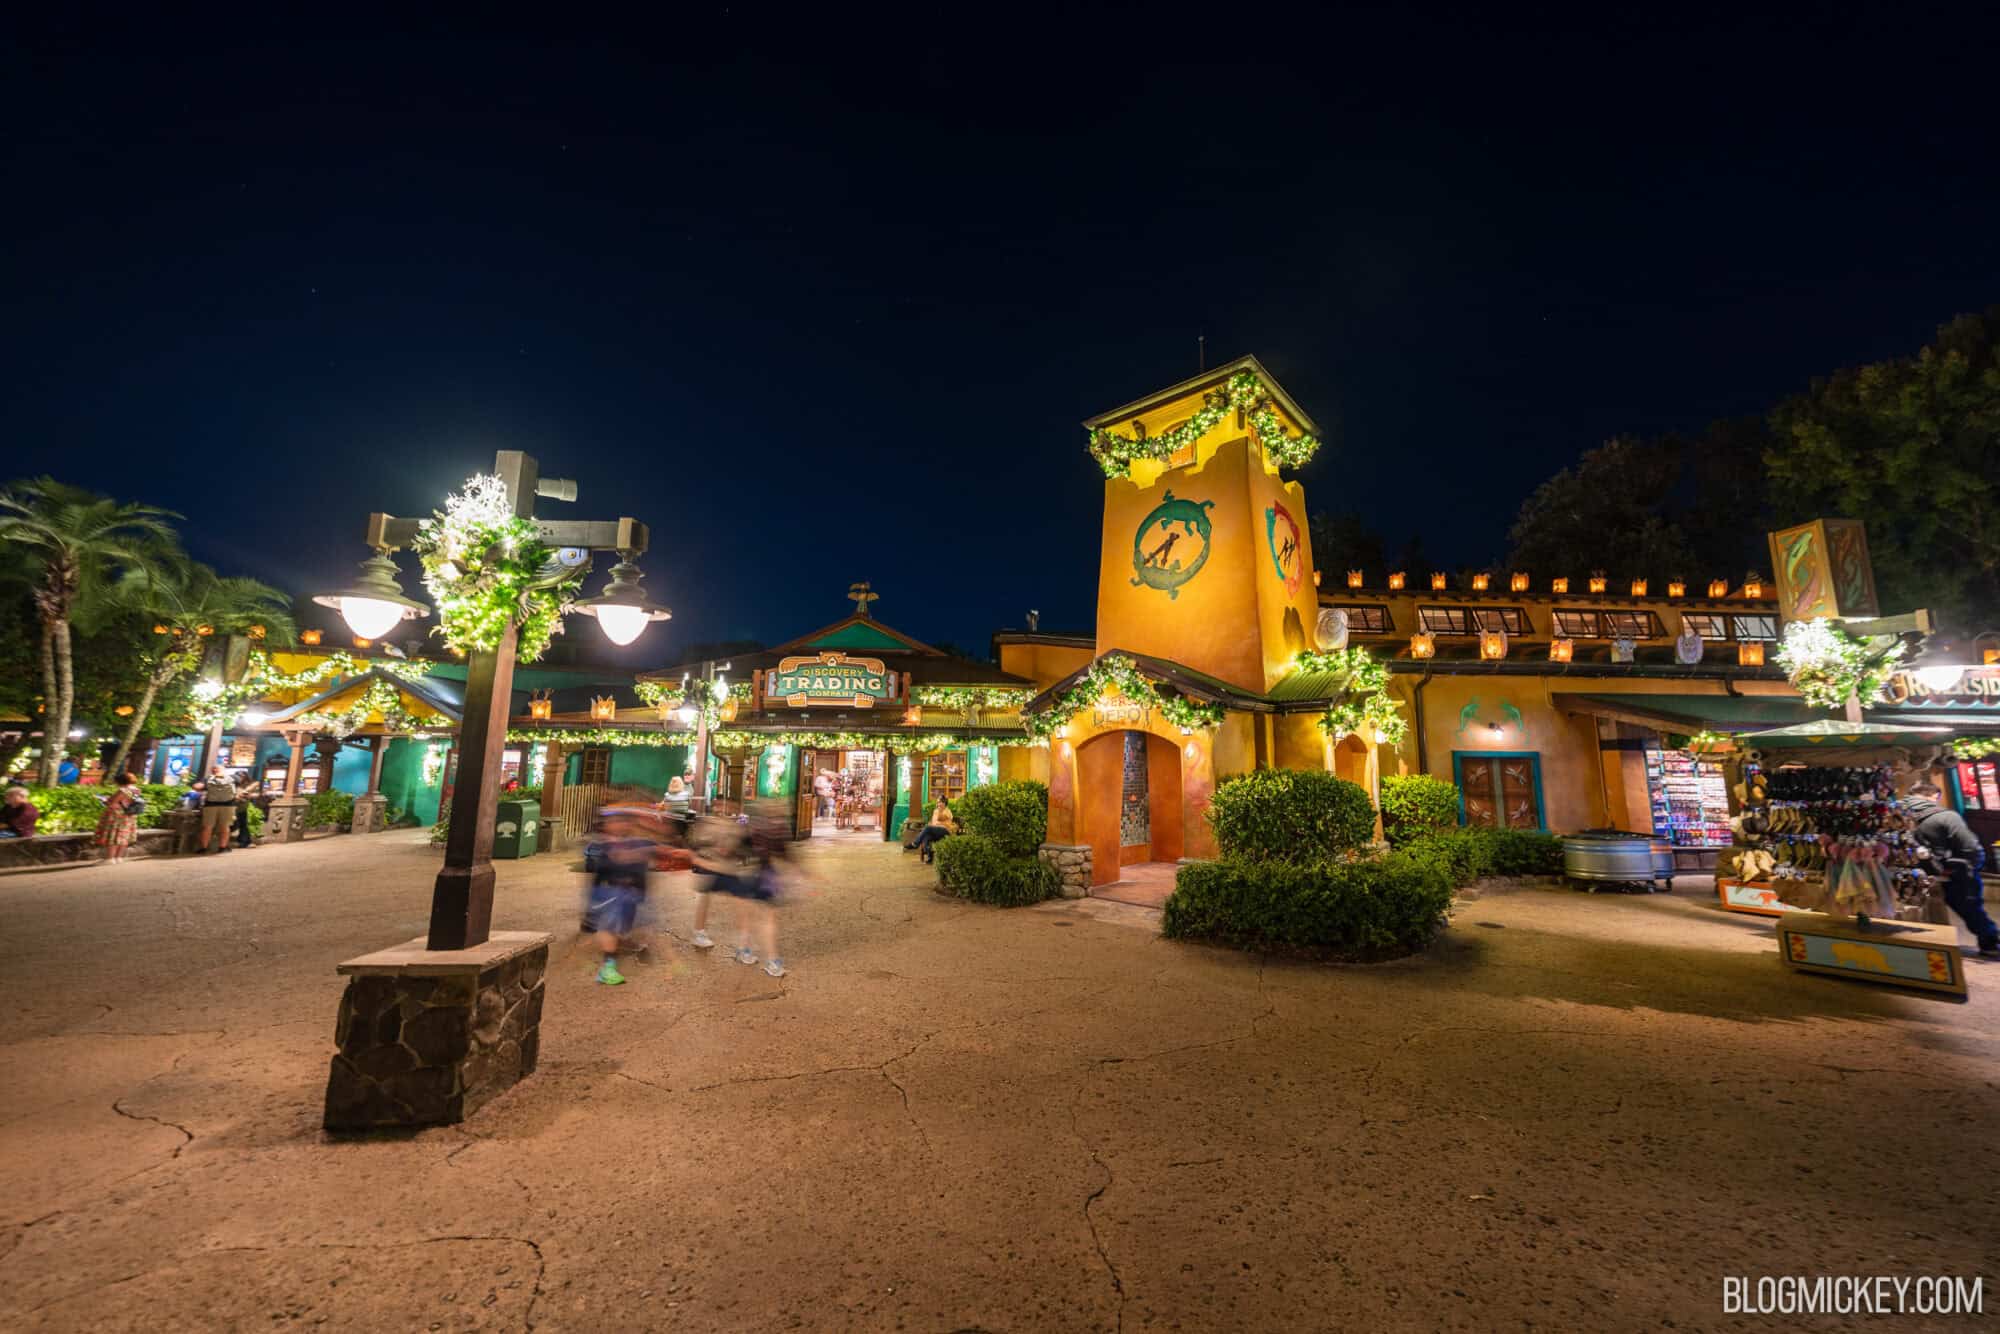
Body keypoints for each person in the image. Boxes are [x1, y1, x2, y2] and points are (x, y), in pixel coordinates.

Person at [688, 800, 788, 977]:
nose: (725, 809)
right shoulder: (710, 824)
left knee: (742, 907)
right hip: (713, 867)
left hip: (726, 869)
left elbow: (743, 849)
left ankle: (743, 949)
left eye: (731, 807)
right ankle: (702, 933)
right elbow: (697, 845)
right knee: (707, 899)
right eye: (721, 806)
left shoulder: (739, 826)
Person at [1907, 780, 2000, 959]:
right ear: (1934, 796)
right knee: (1971, 907)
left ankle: (1935, 949)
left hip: (1921, 874)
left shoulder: (1903, 817)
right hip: (1955, 871)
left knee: (1934, 912)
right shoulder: (1946, 816)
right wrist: (1971, 866)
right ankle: (1990, 942)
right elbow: (1970, 846)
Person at [581, 798, 659, 985]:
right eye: (614, 822)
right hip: (609, 892)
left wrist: (641, 894)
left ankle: (619, 950)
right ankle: (607, 966)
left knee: (627, 927)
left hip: (630, 893)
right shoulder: (600, 847)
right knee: (609, 927)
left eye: (623, 822)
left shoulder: (638, 844)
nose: (618, 825)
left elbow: (642, 872)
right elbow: (597, 874)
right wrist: (592, 908)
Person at [94, 771, 142, 863]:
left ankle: (110, 858)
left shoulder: (122, 790)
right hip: (129, 815)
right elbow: (129, 802)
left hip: (117, 815)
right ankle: (119, 857)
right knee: (124, 836)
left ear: (120, 781)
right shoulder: (136, 790)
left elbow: (111, 803)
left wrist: (102, 799)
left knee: (114, 836)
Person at [198, 766, 238, 853]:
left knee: (208, 827)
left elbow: (198, 787)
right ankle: (222, 847)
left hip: (210, 805)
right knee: (225, 826)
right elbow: (240, 785)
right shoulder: (233, 778)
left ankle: (203, 848)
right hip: (228, 805)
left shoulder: (208, 778)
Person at [904, 797, 956, 863]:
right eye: (937, 802)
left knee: (928, 828)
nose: (938, 804)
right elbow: (934, 822)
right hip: (936, 831)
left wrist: (939, 817)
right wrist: (936, 822)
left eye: (940, 802)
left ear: (944, 803)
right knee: (926, 836)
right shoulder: (936, 811)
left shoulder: (947, 811)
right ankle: (929, 856)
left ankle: (915, 844)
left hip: (945, 831)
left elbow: (944, 821)